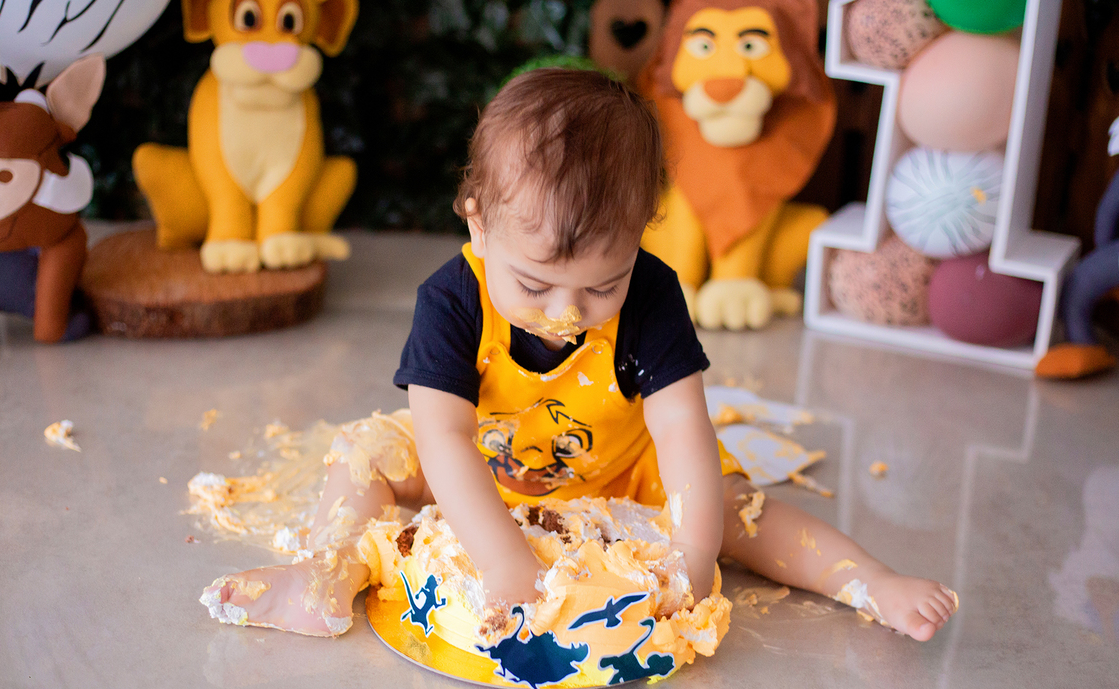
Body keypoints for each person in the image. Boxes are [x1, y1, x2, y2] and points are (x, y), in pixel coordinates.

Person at [203, 68, 957, 641]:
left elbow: (683, 432)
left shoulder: (653, 295)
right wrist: (504, 559)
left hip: (622, 469)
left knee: (736, 509)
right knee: (365, 455)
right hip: (482, 467)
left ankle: (869, 581)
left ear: (640, 239)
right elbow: (443, 438)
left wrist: (693, 559)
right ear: (478, 228)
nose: (567, 312)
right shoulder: (450, 300)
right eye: (533, 284)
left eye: (603, 285)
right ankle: (325, 574)